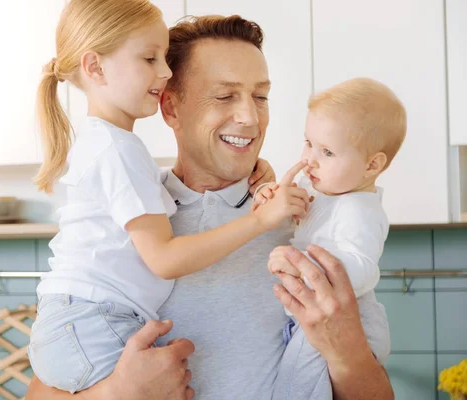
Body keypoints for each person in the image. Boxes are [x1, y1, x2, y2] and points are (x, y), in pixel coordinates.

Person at [26, 14, 394, 400]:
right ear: (169, 107)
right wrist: (116, 394)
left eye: (261, 97)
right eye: (224, 96)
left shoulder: (305, 224)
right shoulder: (124, 226)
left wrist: (345, 349)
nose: (250, 118)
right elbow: (39, 390)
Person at [265, 77, 406, 399]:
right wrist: (270, 196)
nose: (309, 159)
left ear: (372, 165)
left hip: (351, 326)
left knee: (293, 390)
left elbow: (362, 269)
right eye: (308, 143)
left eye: (327, 151)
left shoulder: (359, 210)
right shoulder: (325, 192)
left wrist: (300, 265)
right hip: (317, 322)